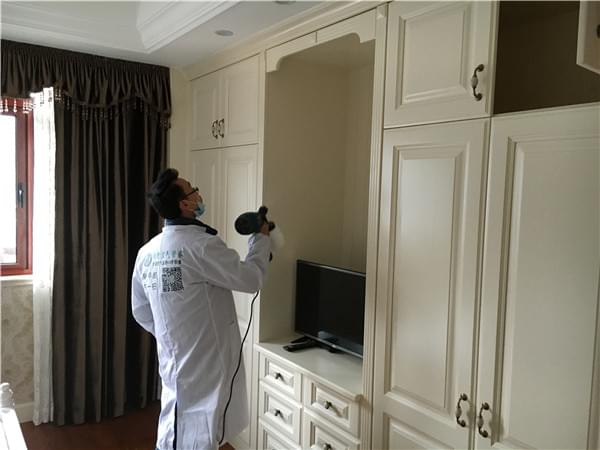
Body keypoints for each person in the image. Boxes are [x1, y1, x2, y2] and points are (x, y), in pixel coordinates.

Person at [131, 168, 271, 450]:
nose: (198, 193)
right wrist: (261, 239)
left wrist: (173, 335)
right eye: (192, 189)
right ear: (185, 203)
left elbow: (141, 310)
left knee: (176, 416)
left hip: (174, 357)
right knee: (202, 427)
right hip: (207, 360)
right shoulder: (202, 247)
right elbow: (251, 279)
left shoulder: (148, 252)